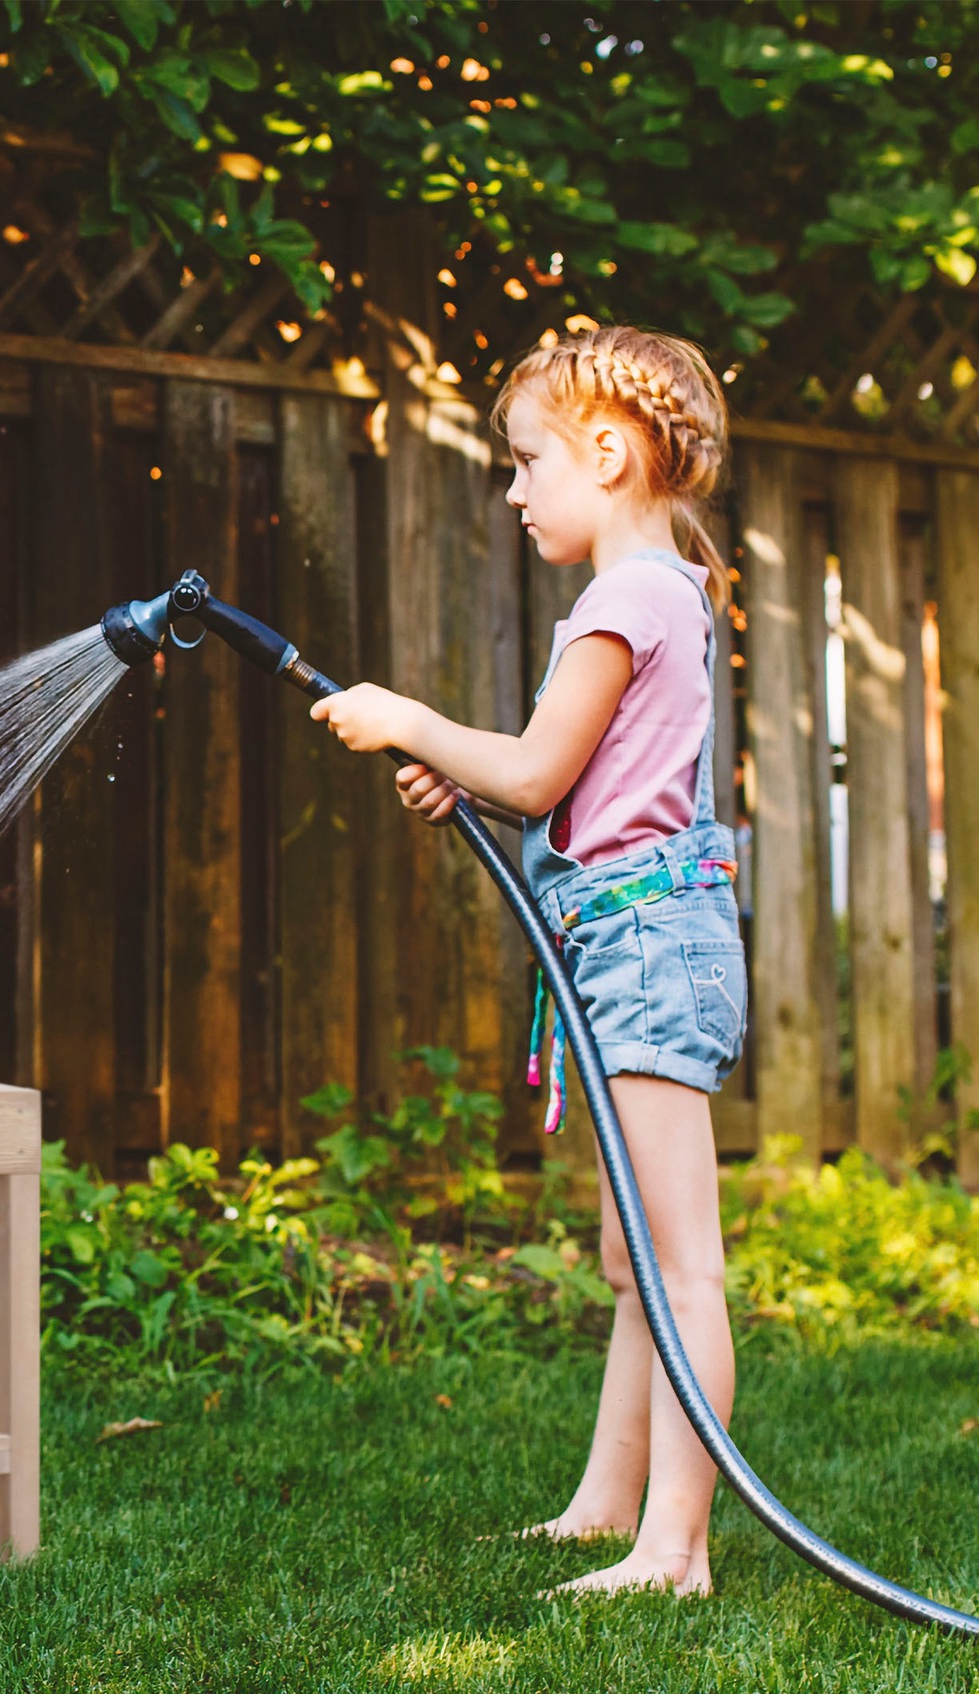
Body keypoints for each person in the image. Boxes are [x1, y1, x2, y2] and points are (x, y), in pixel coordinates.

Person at [310, 325, 745, 1598]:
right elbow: (582, 794)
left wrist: (414, 724)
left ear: (606, 453)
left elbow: (543, 770)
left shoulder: (628, 598)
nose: (512, 489)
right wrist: (473, 780)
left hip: (650, 949)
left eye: (526, 462)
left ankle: (676, 1550)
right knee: (633, 1263)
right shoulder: (658, 592)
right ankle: (610, 1507)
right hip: (625, 939)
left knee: (681, 1266)